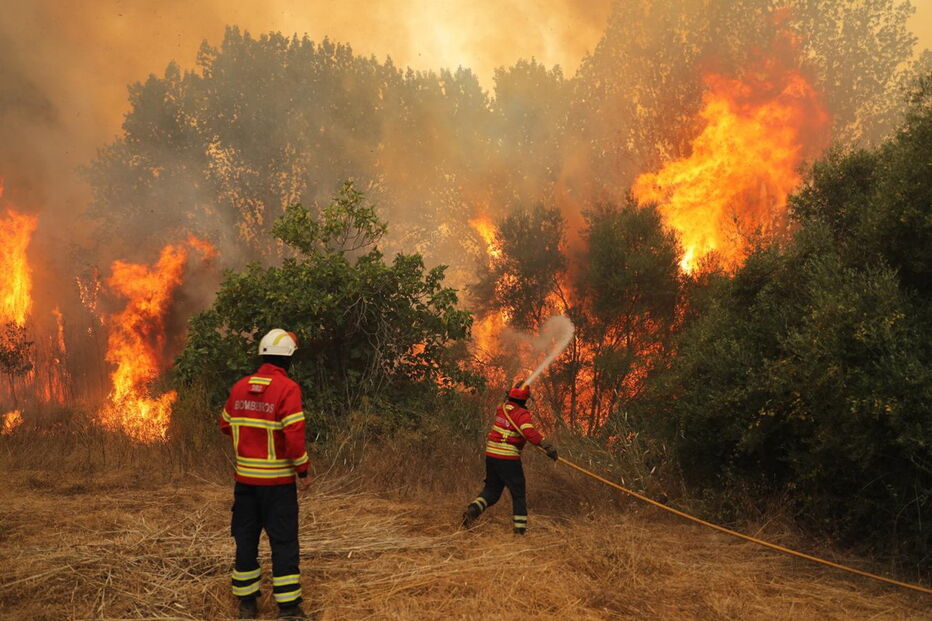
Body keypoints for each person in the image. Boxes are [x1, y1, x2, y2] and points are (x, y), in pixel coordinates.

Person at [220, 328, 311, 620]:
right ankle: (288, 609)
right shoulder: (288, 389)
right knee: (283, 542)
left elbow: (225, 424)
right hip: (277, 484)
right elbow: (294, 435)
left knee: (245, 540)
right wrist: (304, 471)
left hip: (245, 483)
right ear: (288, 360)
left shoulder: (239, 387)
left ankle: (247, 605)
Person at [461, 382, 558, 534]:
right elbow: (529, 432)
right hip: (508, 458)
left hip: (492, 456)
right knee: (518, 494)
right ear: (525, 400)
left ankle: (473, 510)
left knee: (492, 491)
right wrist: (546, 446)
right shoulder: (521, 414)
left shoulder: (502, 409)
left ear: (510, 396)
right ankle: (520, 532)